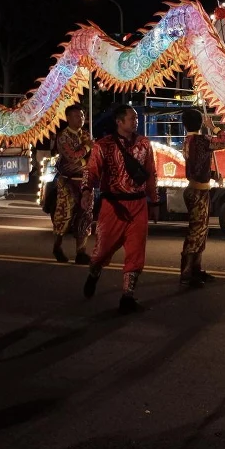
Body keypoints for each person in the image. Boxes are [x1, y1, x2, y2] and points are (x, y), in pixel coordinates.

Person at [82, 105, 159, 313]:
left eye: (136, 118)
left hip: (138, 204)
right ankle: (94, 272)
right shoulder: (103, 145)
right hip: (113, 205)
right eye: (132, 118)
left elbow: (151, 173)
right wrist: (87, 190)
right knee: (101, 250)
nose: (136, 121)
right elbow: (91, 171)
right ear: (119, 121)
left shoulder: (144, 144)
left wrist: (154, 201)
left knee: (136, 252)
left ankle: (127, 296)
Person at [180, 108, 225, 287]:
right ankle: (187, 272)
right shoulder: (202, 140)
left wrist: (212, 174)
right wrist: (214, 127)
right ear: (201, 123)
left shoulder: (187, 141)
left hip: (195, 189)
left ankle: (196, 269)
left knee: (200, 231)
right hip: (198, 192)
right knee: (196, 233)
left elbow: (197, 165)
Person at [51, 105, 94, 264]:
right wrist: (87, 149)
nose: (80, 119)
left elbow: (91, 158)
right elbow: (72, 157)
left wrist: (82, 159)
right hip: (68, 182)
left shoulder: (85, 135)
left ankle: (81, 251)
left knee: (85, 214)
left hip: (84, 181)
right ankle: (57, 246)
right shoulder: (63, 136)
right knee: (65, 214)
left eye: (82, 115)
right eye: (76, 116)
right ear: (68, 118)